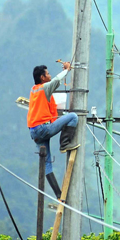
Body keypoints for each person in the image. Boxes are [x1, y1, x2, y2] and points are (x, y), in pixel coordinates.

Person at [27, 62, 79, 198]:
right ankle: (64, 144)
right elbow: (56, 80)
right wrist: (67, 70)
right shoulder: (44, 88)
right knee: (73, 117)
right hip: (43, 128)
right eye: (47, 73)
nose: (49, 75)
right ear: (43, 77)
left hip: (34, 132)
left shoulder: (34, 90)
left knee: (47, 164)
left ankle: (59, 195)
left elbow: (51, 112)